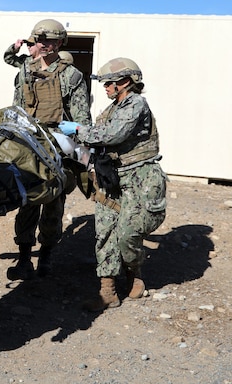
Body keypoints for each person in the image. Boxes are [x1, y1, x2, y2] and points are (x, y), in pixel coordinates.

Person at [61, 57, 167, 311]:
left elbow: (112, 134)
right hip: (112, 178)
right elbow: (100, 138)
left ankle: (134, 271)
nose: (105, 87)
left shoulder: (136, 104)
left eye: (109, 83)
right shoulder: (111, 109)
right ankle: (107, 290)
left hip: (139, 178)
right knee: (105, 233)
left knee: (128, 235)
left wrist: (77, 130)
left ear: (126, 82)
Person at [7, 18, 91, 280]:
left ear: (60, 43)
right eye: (40, 40)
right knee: (27, 200)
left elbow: (82, 119)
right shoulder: (25, 70)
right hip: (29, 143)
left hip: (57, 146)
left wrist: (80, 146)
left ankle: (46, 258)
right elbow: (17, 106)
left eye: (51, 40)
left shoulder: (71, 76)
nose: (45, 45)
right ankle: (23, 259)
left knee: (53, 203)